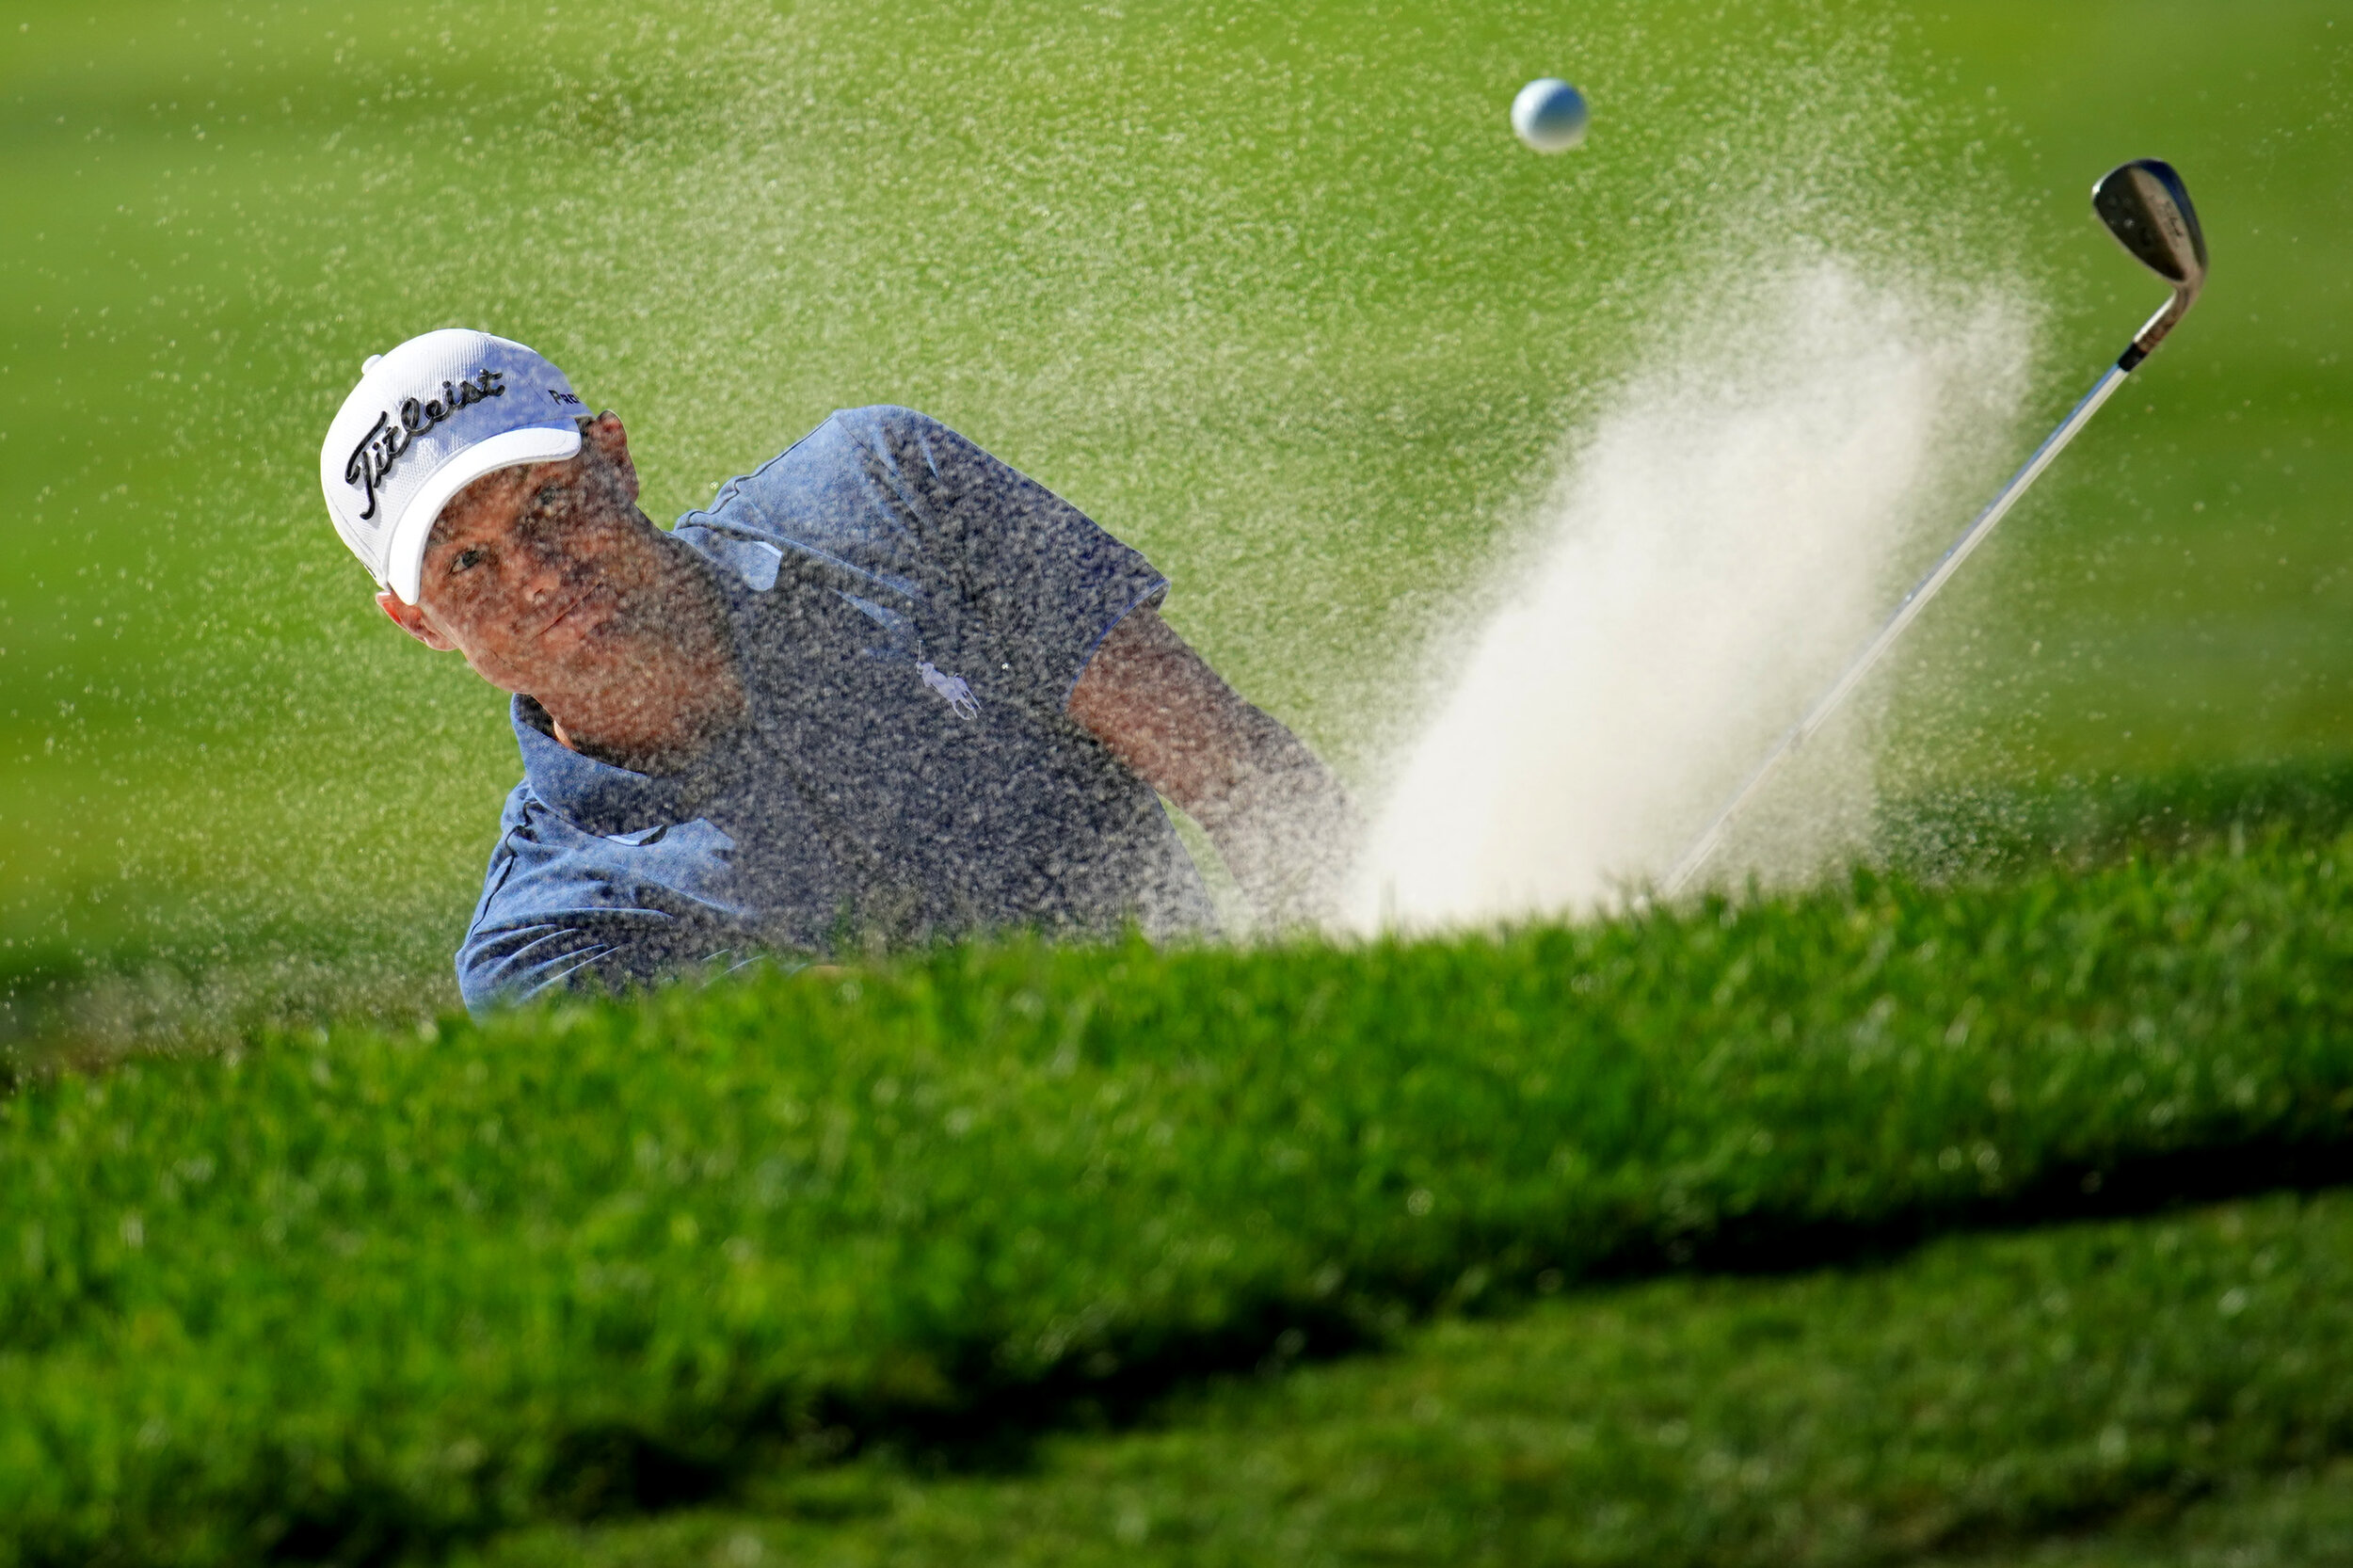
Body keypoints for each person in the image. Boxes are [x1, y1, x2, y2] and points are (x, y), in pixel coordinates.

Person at [318, 329, 1356, 1013]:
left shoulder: (888, 492)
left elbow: (1233, 770)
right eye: (467, 565)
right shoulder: (548, 943)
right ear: (418, 624)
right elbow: (869, 1051)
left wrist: (1342, 983)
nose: (539, 573)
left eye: (549, 501)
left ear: (616, 456)